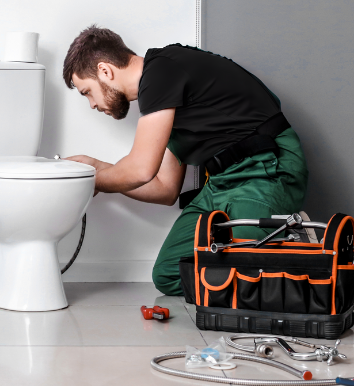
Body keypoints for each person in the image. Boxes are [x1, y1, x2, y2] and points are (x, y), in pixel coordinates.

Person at [63, 25, 309, 296]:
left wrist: (90, 179)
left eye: (87, 92)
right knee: (168, 273)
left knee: (247, 274)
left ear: (105, 71)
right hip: (220, 184)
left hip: (265, 170)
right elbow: (164, 188)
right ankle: (256, 262)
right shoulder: (165, 102)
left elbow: (140, 169)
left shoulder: (162, 70)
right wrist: (98, 168)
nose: (92, 104)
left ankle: (295, 249)